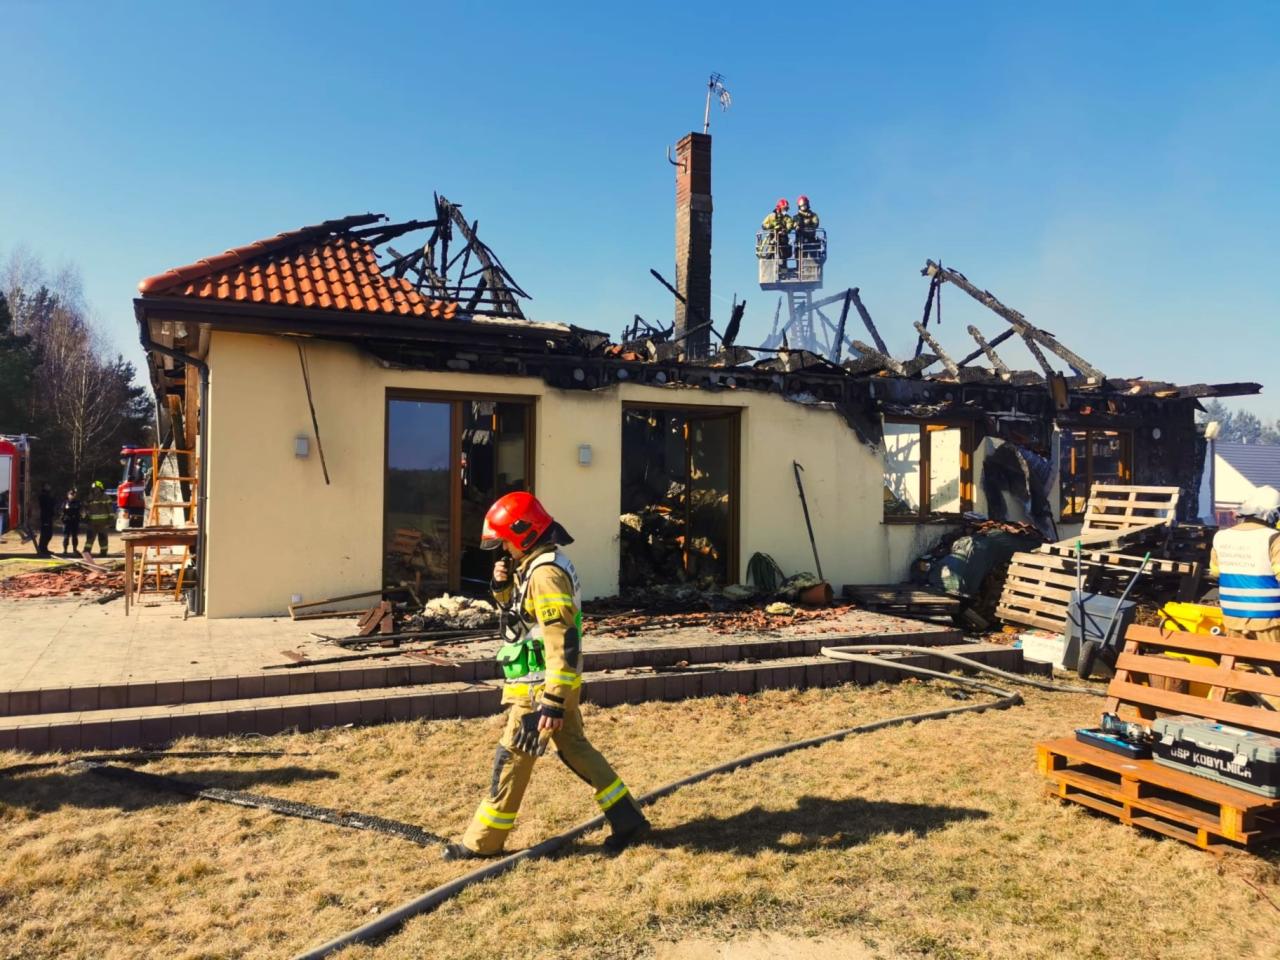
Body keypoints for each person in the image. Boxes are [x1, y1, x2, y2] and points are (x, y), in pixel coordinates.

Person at [446, 491, 649, 860]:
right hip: (549, 684)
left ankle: (482, 843)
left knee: (511, 759)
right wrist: (502, 586)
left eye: (505, 540)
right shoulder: (541, 565)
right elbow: (523, 618)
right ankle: (628, 820)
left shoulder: (546, 574)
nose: (502, 549)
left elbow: (561, 639)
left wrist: (553, 701)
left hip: (539, 689)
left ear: (524, 533)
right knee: (576, 749)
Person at [1211, 485, 1280, 641]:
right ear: (1274, 513)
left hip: (1232, 617)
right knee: (1271, 663)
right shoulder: (1274, 539)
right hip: (1269, 619)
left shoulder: (1221, 536)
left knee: (1240, 664)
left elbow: (1215, 571)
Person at [84, 480, 114, 558]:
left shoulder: (105, 497)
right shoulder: (90, 498)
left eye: (97, 488)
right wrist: (85, 517)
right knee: (90, 538)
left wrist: (110, 520)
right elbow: (86, 509)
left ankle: (103, 552)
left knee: (102, 538)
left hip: (102, 523)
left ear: (100, 488)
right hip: (93, 523)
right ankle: (86, 552)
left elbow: (110, 510)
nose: (96, 490)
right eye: (94, 489)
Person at [761, 198, 792, 265]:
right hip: (772, 238)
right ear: (779, 208)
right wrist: (771, 225)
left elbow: (789, 226)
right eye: (784, 208)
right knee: (770, 252)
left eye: (786, 209)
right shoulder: (771, 216)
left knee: (783, 254)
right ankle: (767, 267)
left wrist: (785, 230)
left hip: (783, 239)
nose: (785, 211)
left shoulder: (787, 218)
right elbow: (763, 225)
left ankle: (783, 268)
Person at [60, 487, 82, 557]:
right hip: (67, 521)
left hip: (75, 521)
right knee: (66, 536)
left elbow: (79, 509)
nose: (72, 495)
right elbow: (62, 510)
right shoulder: (65, 502)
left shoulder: (78, 502)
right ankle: (65, 550)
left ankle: (74, 550)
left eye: (73, 494)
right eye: (71, 494)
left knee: (74, 536)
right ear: (68, 495)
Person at [36, 483, 55, 557]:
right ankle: (42, 549)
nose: (49, 487)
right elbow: (47, 505)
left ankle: (45, 548)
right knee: (45, 534)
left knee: (49, 534)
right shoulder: (43, 496)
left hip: (49, 517)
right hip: (45, 517)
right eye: (47, 486)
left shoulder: (48, 495)